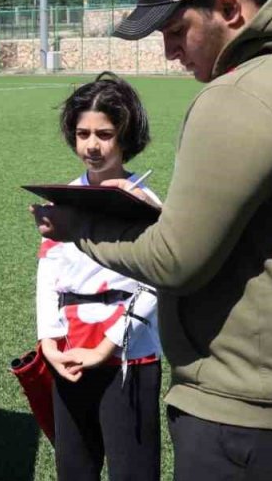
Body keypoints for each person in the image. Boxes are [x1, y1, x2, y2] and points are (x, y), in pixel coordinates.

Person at [32, 0, 272, 481]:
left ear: (229, 8)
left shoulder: (237, 95)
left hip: (248, 411)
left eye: (174, 30)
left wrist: (78, 225)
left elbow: (176, 259)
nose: (168, 51)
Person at [36, 72, 163, 481]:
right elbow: (48, 271)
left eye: (104, 134)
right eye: (82, 133)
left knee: (133, 472)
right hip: (71, 355)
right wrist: (48, 340)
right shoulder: (64, 197)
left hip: (128, 355)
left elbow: (156, 281)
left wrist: (108, 346)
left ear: (126, 135)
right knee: (74, 467)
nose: (91, 145)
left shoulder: (144, 202)